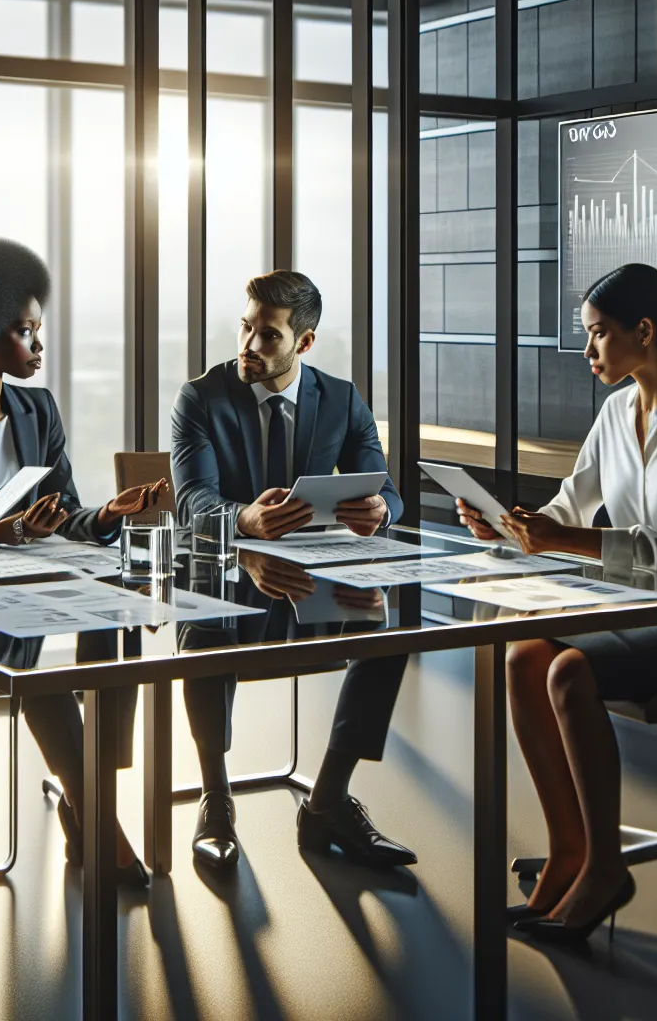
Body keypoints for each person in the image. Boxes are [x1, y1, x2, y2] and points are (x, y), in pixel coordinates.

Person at [456, 263, 657, 943]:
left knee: (571, 671)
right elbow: (568, 509)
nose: (587, 352)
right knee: (524, 657)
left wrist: (564, 536)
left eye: (599, 335)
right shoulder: (615, 412)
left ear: (645, 330)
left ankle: (606, 869)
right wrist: (510, 526)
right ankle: (570, 853)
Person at [0, 236, 167, 885]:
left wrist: (103, 516)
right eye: (25, 331)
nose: (39, 347)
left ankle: (88, 807)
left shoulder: (37, 408)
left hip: (31, 593)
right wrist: (8, 531)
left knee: (109, 630)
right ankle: (96, 819)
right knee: (43, 660)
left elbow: (64, 509)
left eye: (39, 331)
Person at [170, 269, 417, 871]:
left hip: (311, 581)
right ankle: (216, 799)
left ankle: (328, 799)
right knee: (205, 631)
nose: (249, 347)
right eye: (246, 328)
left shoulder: (341, 397)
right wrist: (244, 520)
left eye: (269, 337)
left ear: (304, 344)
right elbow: (192, 501)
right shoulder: (200, 398)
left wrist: (381, 508)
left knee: (389, 634)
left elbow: (387, 487)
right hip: (225, 571)